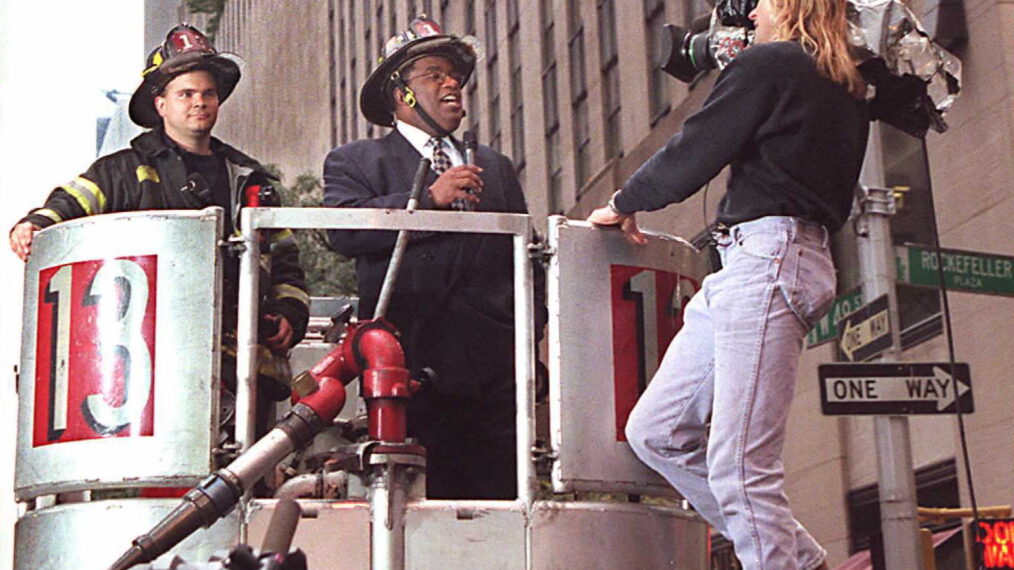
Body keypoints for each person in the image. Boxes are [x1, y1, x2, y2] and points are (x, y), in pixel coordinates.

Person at [588, 0, 868, 567]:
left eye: (760, 1)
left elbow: (697, 148)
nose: (749, 14)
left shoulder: (773, 66)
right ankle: (804, 562)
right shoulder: (843, 83)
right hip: (760, 262)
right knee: (657, 431)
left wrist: (623, 202)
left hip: (767, 260)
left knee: (741, 467)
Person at [9, 24, 310, 436]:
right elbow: (75, 199)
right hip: (153, 367)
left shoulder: (249, 179)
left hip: (242, 368)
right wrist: (38, 222)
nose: (199, 103)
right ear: (161, 104)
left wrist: (290, 314)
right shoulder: (124, 171)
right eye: (186, 94)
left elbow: (287, 261)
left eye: (207, 94)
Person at [323, 17, 543, 500]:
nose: (452, 85)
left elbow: (528, 262)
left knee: (500, 508)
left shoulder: (497, 168)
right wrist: (426, 199)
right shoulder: (358, 162)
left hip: (496, 377)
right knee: (420, 511)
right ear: (401, 93)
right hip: (409, 370)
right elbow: (341, 228)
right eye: (434, 74)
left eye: (455, 76)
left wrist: (530, 345)